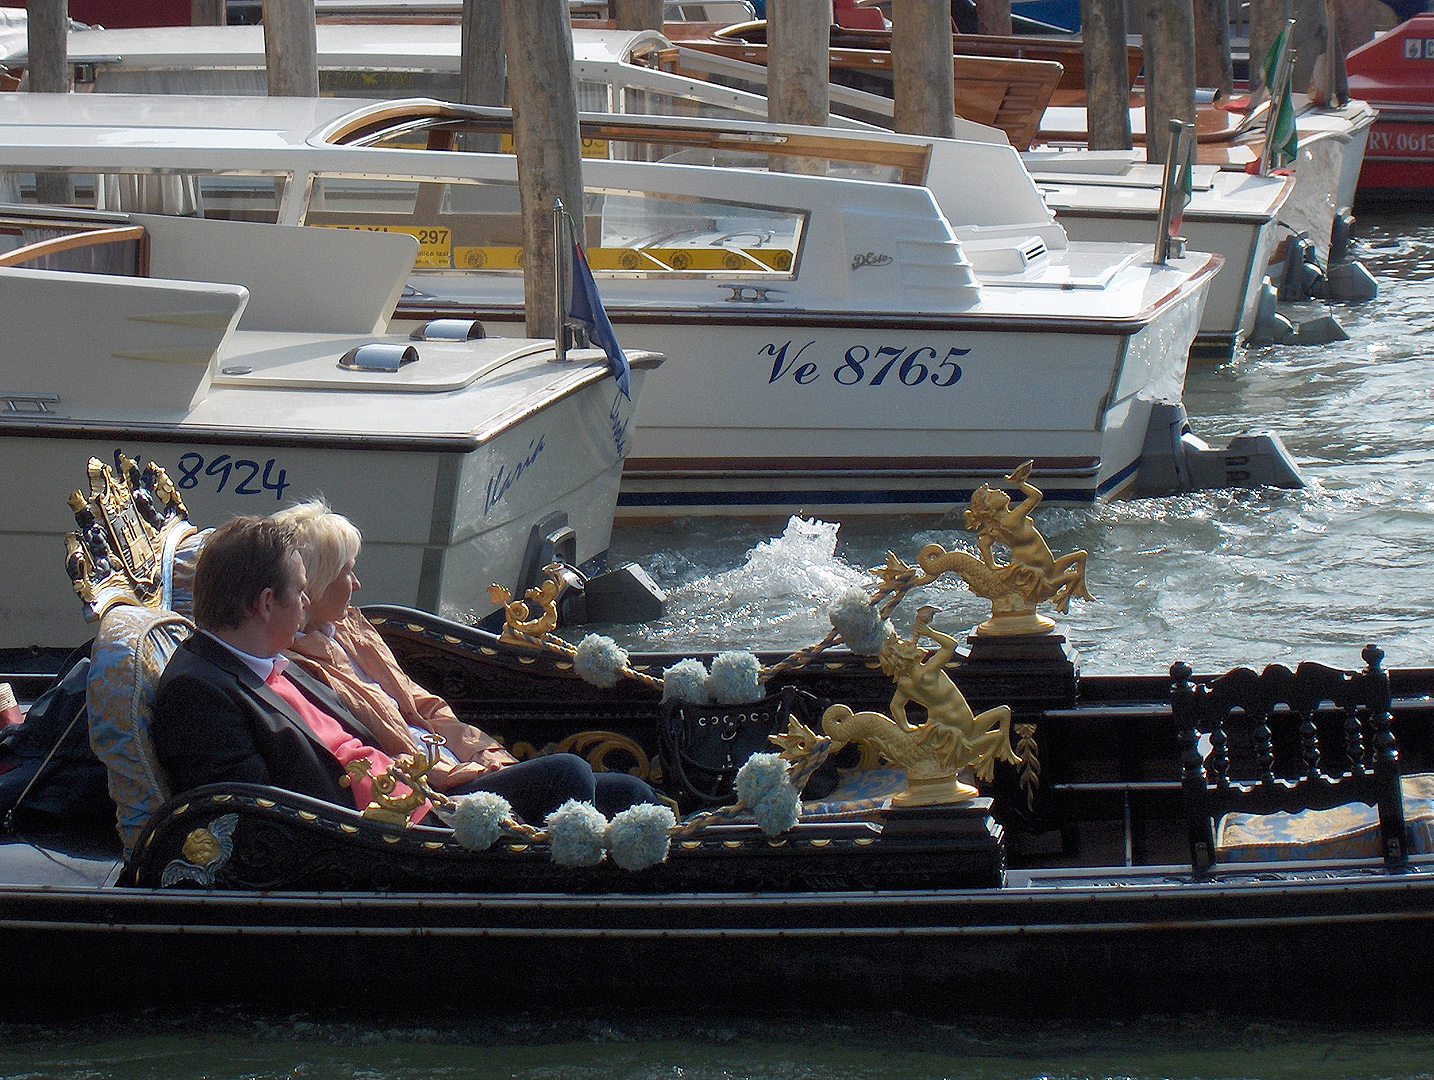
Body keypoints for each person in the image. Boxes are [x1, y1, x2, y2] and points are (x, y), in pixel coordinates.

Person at [268, 499, 662, 824]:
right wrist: (462, 774)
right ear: (315, 585)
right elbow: (383, 751)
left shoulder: (353, 630)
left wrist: (487, 760)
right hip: (430, 795)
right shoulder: (296, 667)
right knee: (568, 772)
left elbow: (427, 708)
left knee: (633, 792)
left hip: (462, 768)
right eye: (347, 573)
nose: (357, 585)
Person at [151, 516, 430, 823]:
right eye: (299, 592)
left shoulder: (266, 659)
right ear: (266, 604)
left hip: (411, 803)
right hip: (375, 844)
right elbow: (255, 824)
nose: (307, 601)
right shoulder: (197, 696)